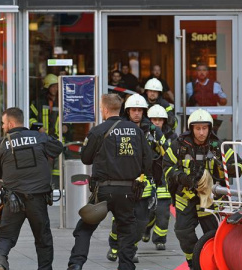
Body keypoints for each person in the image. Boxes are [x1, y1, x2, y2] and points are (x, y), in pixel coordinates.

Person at [67, 94, 152, 270]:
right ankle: (126, 266)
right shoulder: (136, 131)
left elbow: (85, 158)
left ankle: (76, 263)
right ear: (120, 109)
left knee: (84, 228)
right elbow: (148, 161)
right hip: (128, 191)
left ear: (105, 109)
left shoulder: (98, 131)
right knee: (126, 231)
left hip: (103, 191)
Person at [163, 108, 242, 270]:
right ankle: (194, 262)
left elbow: (240, 165)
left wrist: (228, 168)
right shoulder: (179, 145)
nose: (201, 132)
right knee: (183, 232)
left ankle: (216, 262)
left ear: (210, 128)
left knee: (215, 235)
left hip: (210, 200)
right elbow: (167, 167)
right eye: (198, 128)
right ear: (191, 128)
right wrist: (181, 177)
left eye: (205, 128)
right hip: (185, 198)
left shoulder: (218, 146)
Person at [0, 107, 63, 270]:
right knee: (43, 238)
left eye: (3, 123)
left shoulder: (2, 143)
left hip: (13, 199)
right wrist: (43, 133)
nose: (2, 127)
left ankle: (0, 261)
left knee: (5, 235)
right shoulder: (39, 137)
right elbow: (58, 147)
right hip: (37, 198)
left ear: (10, 123)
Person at [107, 94, 154, 264]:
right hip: (124, 181)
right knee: (121, 218)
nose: (136, 113)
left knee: (141, 221)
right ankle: (115, 246)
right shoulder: (119, 128)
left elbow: (165, 154)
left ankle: (130, 248)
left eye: (139, 110)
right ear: (127, 111)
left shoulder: (152, 131)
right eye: (133, 110)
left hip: (144, 182)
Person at [142, 105, 178, 250]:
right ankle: (145, 229)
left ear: (165, 121)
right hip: (148, 177)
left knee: (163, 212)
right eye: (154, 119)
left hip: (164, 178)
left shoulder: (171, 137)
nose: (157, 123)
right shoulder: (142, 134)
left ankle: (159, 239)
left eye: (160, 120)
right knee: (149, 210)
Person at [29, 73, 71, 189]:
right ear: (47, 87)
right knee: (44, 165)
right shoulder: (39, 102)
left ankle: (57, 187)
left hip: (58, 139)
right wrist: (38, 127)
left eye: (57, 86)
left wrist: (67, 126)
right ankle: (44, 186)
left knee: (58, 168)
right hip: (43, 139)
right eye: (53, 86)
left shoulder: (63, 101)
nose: (55, 89)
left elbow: (69, 117)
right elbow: (30, 117)